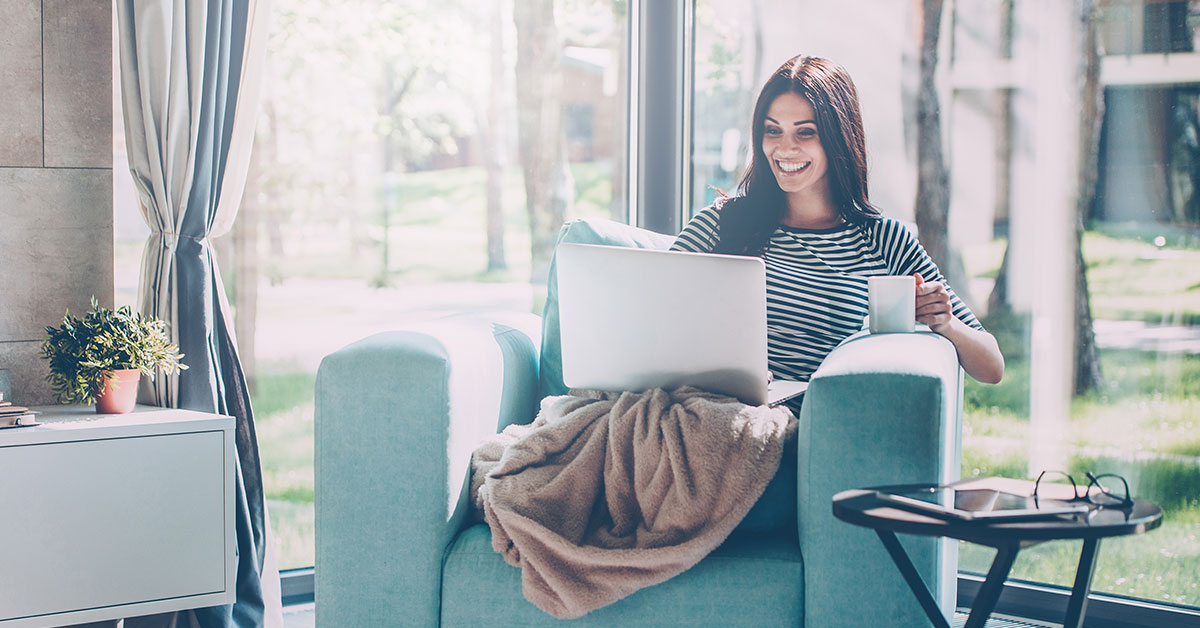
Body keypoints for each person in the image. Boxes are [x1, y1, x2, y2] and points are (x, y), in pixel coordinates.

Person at [672, 54, 1004, 388]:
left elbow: (992, 366)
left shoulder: (884, 240)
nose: (785, 148)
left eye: (805, 133)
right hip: (715, 400)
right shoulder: (719, 223)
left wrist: (945, 322)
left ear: (837, 138)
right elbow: (651, 310)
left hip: (815, 421)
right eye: (773, 130)